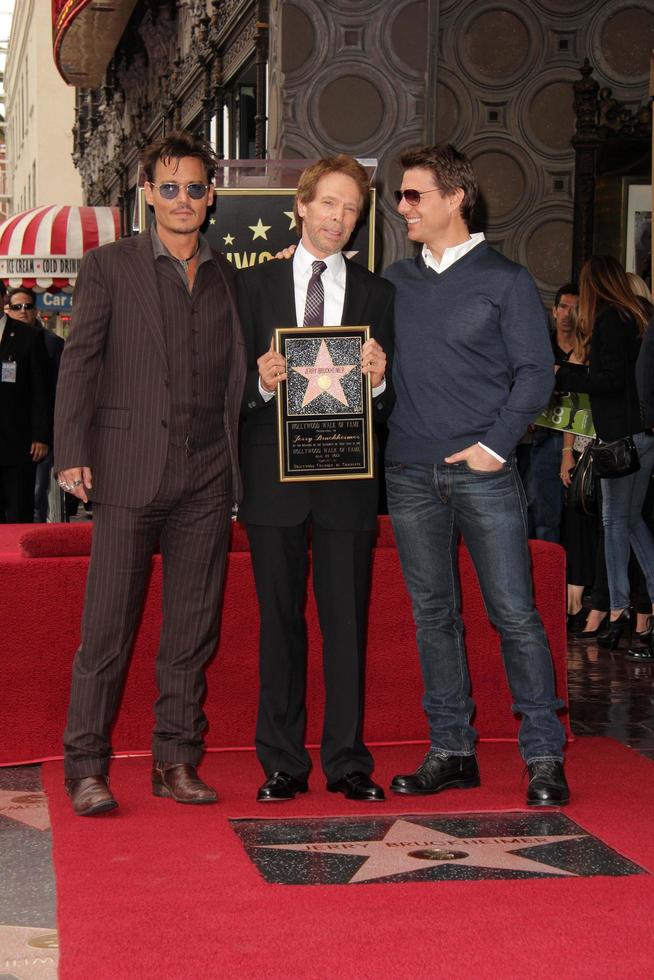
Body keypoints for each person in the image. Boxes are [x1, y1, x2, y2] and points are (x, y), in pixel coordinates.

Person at [54, 130, 246, 815]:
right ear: (148, 196)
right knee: (107, 628)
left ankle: (175, 760)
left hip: (207, 477)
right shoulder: (109, 266)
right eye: (170, 188)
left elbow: (238, 376)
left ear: (211, 196)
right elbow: (80, 360)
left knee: (192, 629)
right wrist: (72, 447)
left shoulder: (227, 277)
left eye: (195, 187)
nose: (183, 200)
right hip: (129, 471)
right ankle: (85, 766)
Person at [382, 144, 569, 807]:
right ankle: (452, 749)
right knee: (434, 617)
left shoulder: (507, 281)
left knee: (515, 615)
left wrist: (496, 446)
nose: (401, 206)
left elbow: (536, 373)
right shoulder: (394, 282)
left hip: (485, 476)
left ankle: (544, 755)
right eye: (401, 196)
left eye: (414, 195)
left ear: (456, 198)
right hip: (407, 472)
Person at [236, 155, 394, 803]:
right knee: (279, 624)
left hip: (347, 486)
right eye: (329, 203)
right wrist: (260, 384)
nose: (340, 218)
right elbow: (228, 389)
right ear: (301, 206)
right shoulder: (252, 288)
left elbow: (386, 402)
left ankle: (348, 762)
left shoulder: (378, 295)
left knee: (346, 626)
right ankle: (282, 761)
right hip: (272, 482)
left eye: (352, 208)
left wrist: (379, 379)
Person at [556, 255, 654, 658]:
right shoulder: (638, 316)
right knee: (631, 522)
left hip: (620, 437)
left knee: (615, 524)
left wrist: (563, 373)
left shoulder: (613, 319)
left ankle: (616, 611)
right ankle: (631, 608)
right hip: (643, 434)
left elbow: (609, 382)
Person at [4, 286, 65, 522]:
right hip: (13, 436)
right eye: (17, 307)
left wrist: (43, 434)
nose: (23, 312)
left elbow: (49, 389)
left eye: (27, 307)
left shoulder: (47, 341)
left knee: (35, 495)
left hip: (34, 437)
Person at [525, 284, 579, 543]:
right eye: (564, 307)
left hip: (581, 440)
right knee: (540, 510)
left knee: (580, 516)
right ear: (554, 311)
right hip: (544, 436)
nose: (569, 314)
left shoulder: (587, 348)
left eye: (575, 308)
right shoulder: (539, 346)